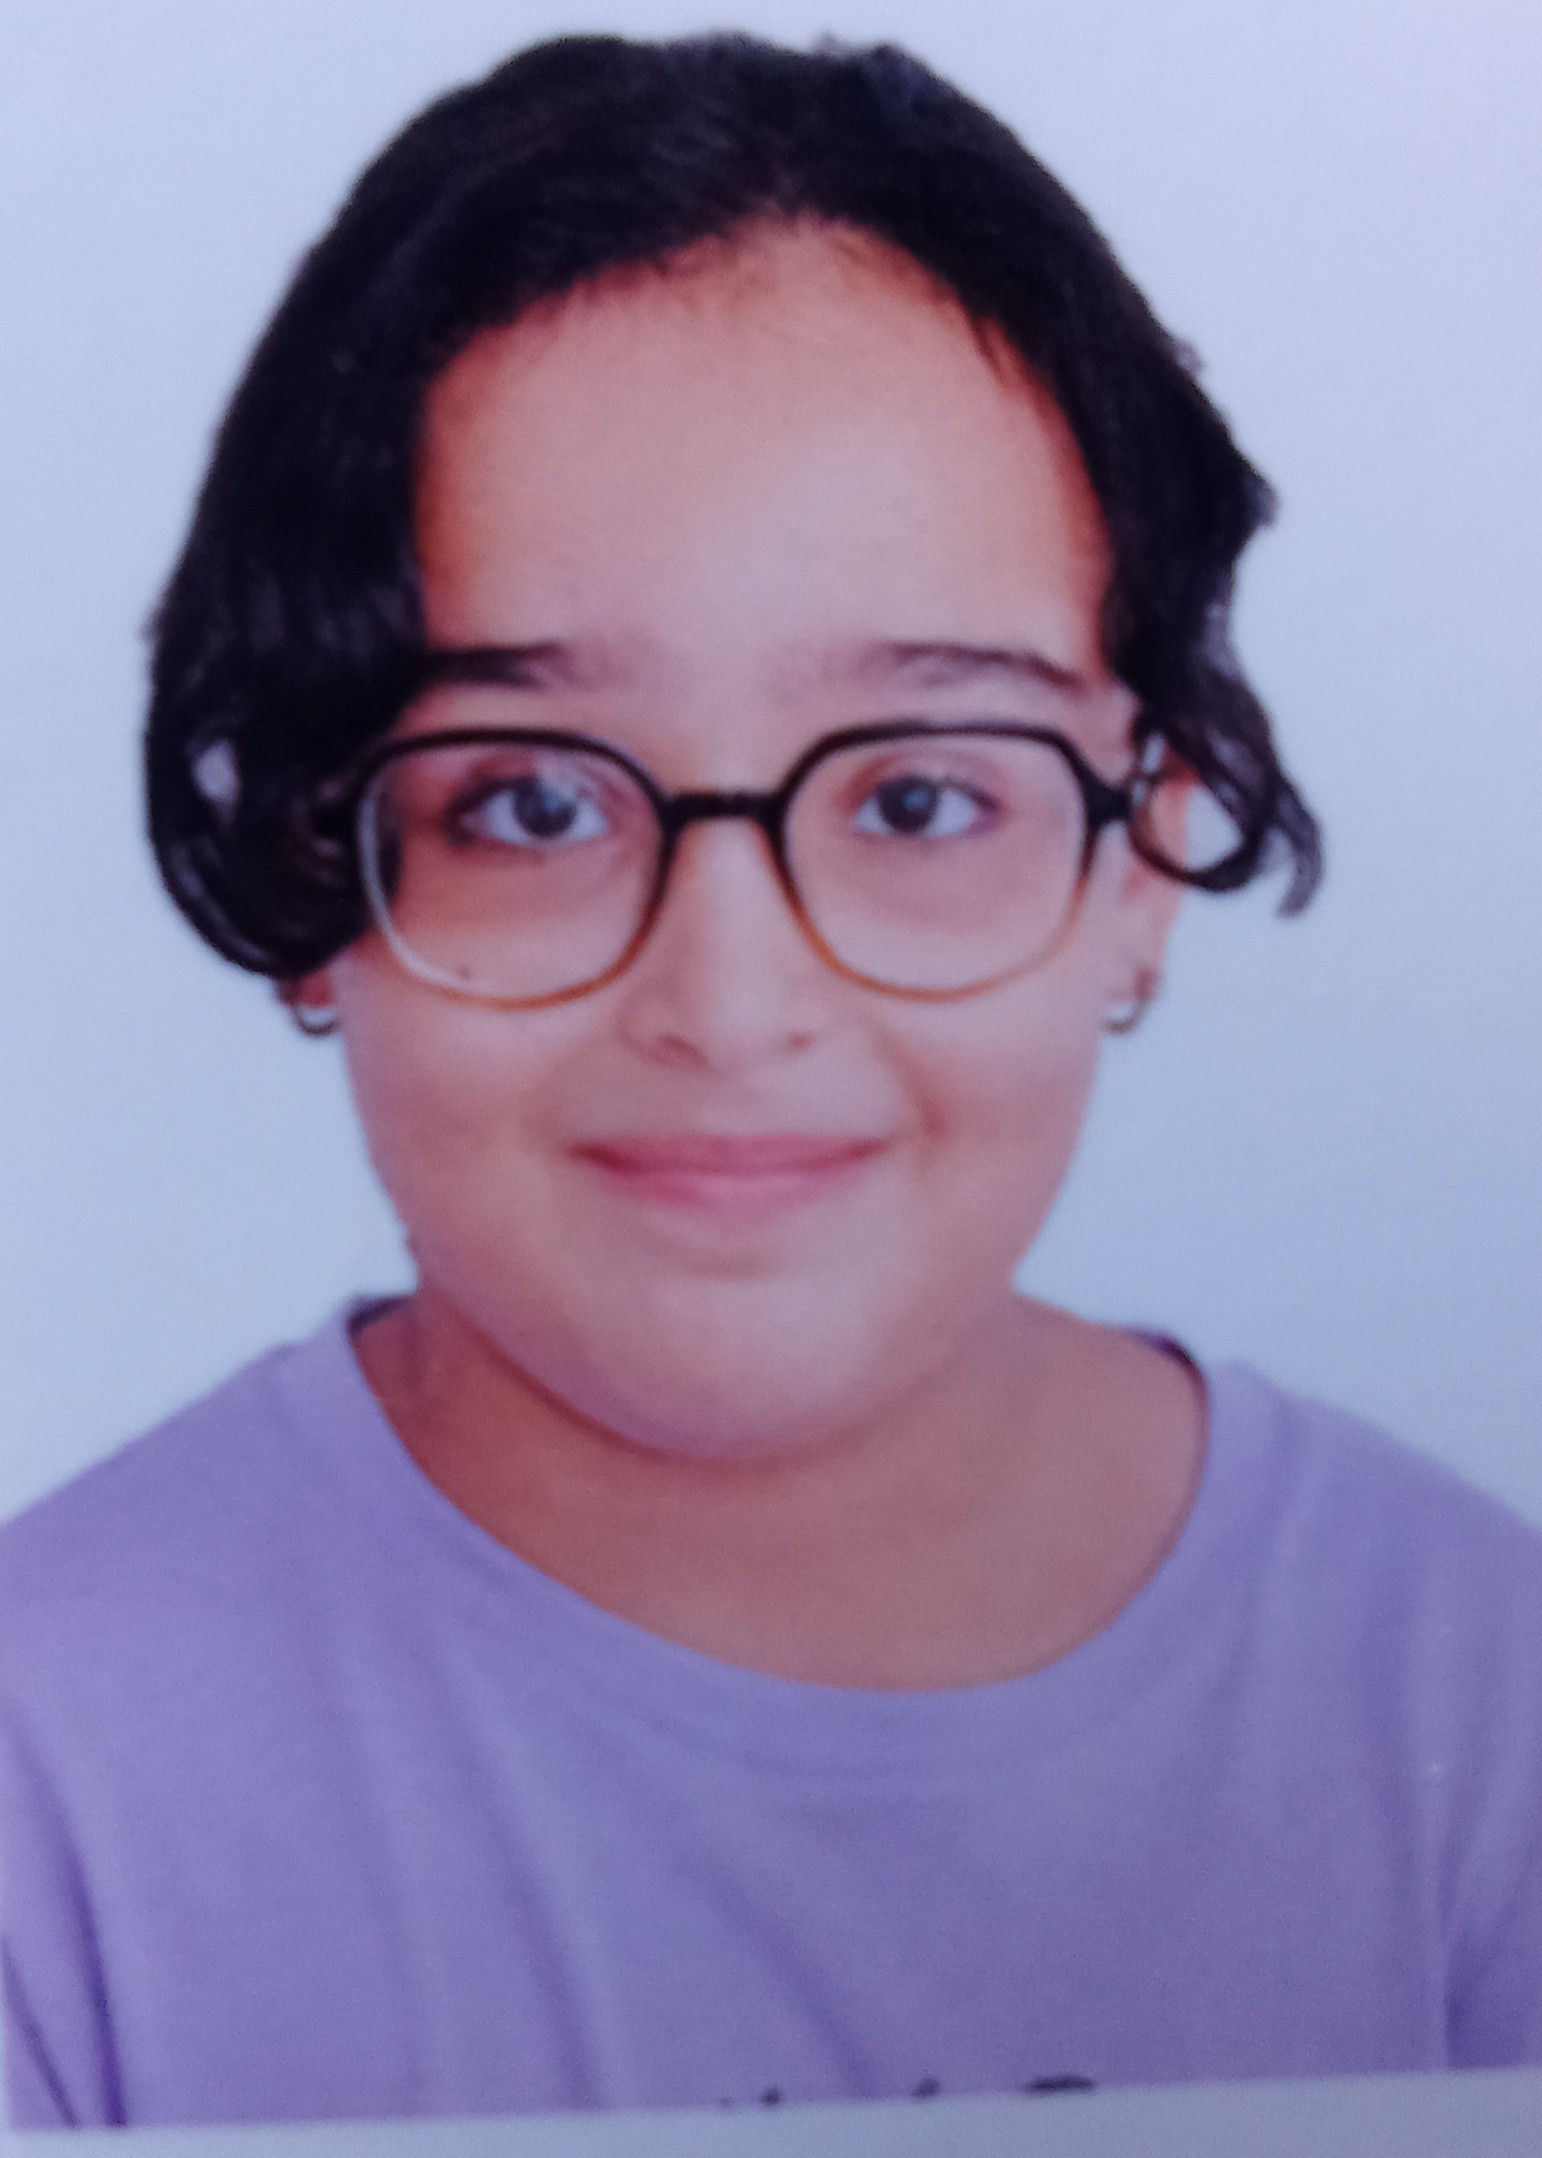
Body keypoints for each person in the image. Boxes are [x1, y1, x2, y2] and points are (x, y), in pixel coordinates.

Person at [3, 31, 1540, 2131]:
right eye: (533, 802)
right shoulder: (49, 1792)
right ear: (309, 858)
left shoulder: (1483, 1707)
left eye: (914, 796)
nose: (730, 1005)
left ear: (1142, 862)